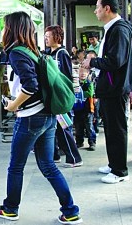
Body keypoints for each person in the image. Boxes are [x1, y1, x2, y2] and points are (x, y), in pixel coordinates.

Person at [0, 11, 83, 224]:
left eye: (6, 26)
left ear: (12, 28)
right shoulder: (28, 50)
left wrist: (13, 105)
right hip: (47, 116)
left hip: (30, 117)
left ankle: (10, 208)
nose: (4, 30)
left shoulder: (17, 52)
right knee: (48, 165)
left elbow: (30, 85)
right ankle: (70, 211)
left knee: (16, 165)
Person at [81, 0, 132, 184]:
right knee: (111, 129)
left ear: (107, 8)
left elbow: (115, 61)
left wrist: (92, 61)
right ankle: (114, 165)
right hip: (111, 87)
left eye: (97, 7)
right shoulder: (113, 28)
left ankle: (120, 171)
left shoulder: (119, 30)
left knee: (117, 129)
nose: (95, 11)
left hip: (116, 88)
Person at [44, 25, 83, 168]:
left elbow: (65, 76)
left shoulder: (62, 53)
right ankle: (54, 155)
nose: (46, 39)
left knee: (63, 127)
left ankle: (74, 157)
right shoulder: (49, 53)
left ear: (57, 37)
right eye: (45, 36)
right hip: (53, 96)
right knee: (54, 127)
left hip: (60, 96)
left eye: (49, 36)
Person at [73, 67, 96, 151]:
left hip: (88, 109)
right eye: (81, 72)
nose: (82, 74)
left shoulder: (89, 83)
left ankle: (92, 142)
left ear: (88, 74)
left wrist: (80, 92)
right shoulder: (75, 83)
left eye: (85, 72)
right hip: (77, 109)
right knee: (78, 127)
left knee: (89, 126)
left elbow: (90, 93)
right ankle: (79, 142)